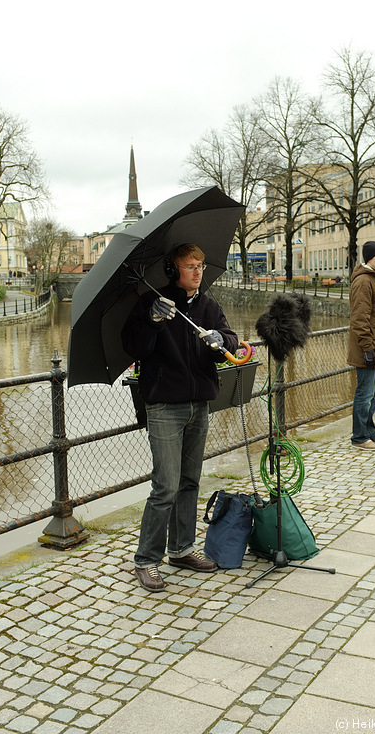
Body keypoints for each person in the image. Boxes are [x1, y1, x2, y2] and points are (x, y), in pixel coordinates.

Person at [122, 243, 238, 592]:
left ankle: (181, 549)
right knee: (166, 485)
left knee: (190, 481)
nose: (198, 271)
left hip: (198, 404)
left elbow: (230, 341)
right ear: (174, 271)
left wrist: (220, 339)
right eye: (190, 266)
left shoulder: (208, 306)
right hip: (164, 406)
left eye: (201, 265)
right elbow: (133, 346)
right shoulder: (151, 304)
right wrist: (153, 321)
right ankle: (146, 559)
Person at [347, 241, 375, 451]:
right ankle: (359, 437)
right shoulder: (364, 282)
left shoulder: (374, 279)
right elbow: (359, 319)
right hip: (368, 348)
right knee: (364, 394)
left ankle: (370, 432)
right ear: (369, 258)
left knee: (372, 393)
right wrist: (367, 348)